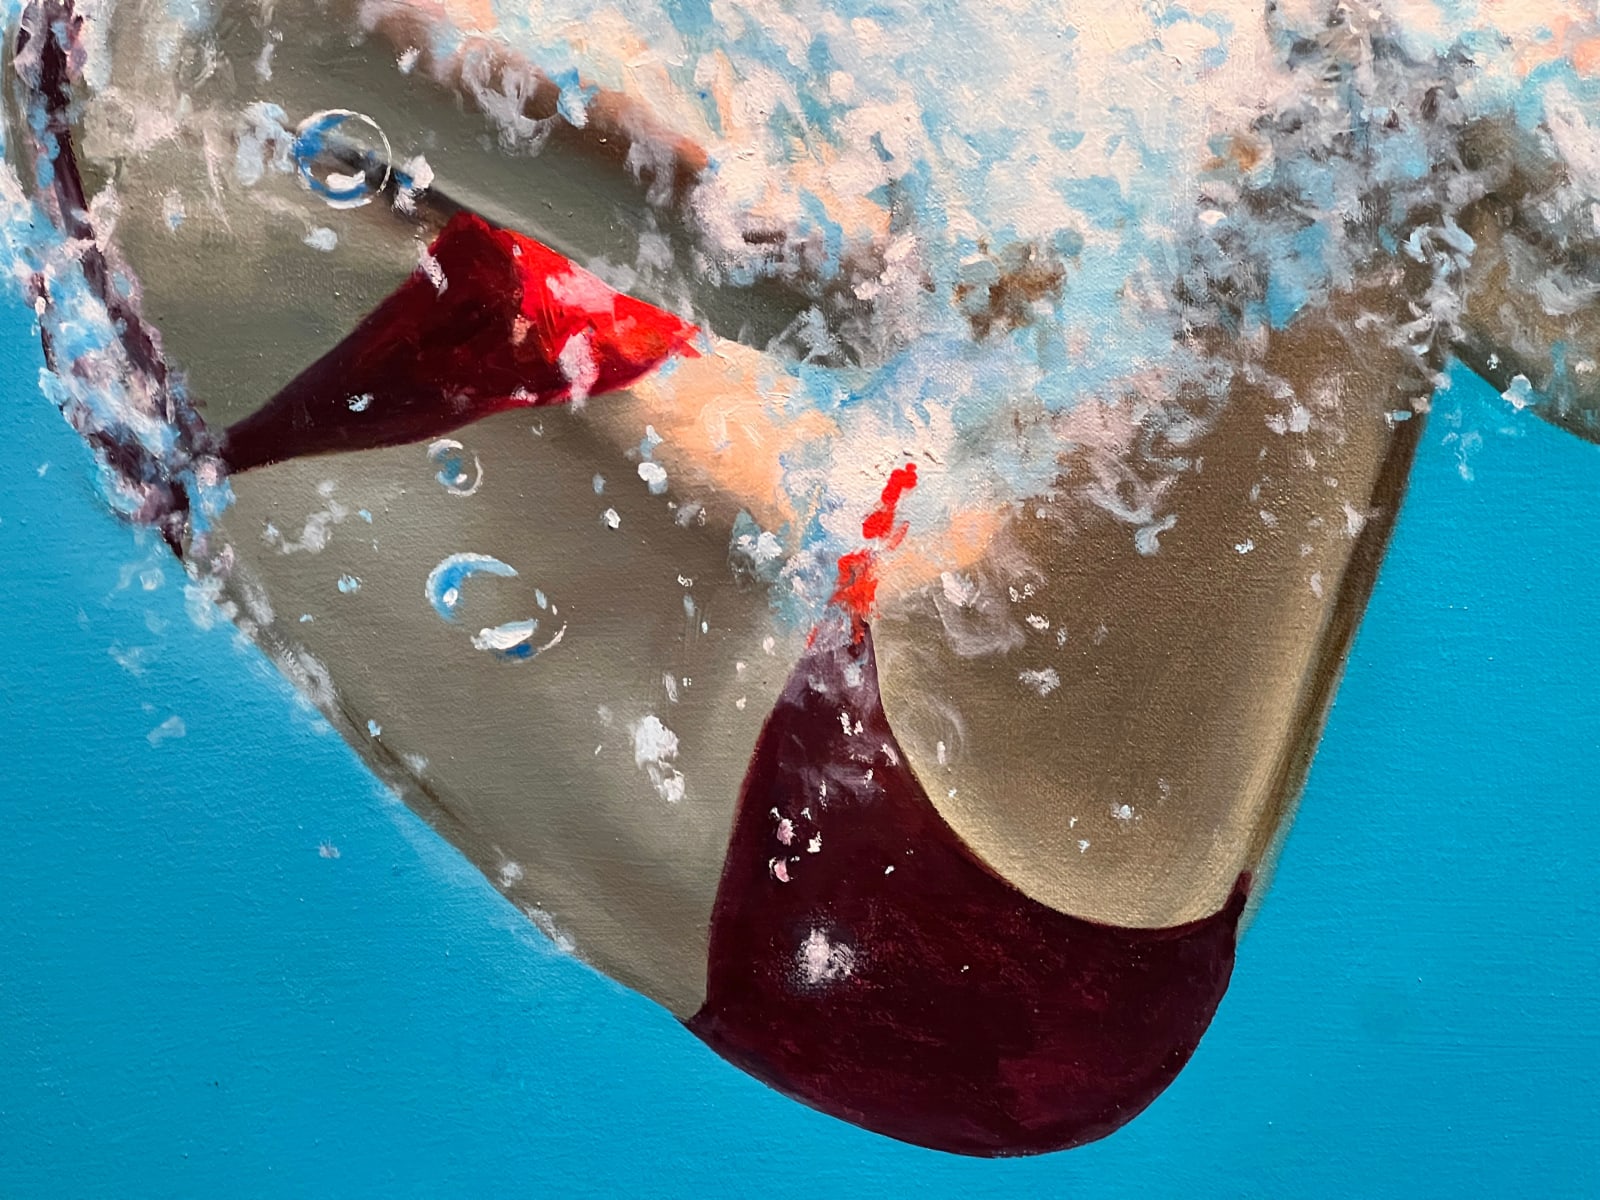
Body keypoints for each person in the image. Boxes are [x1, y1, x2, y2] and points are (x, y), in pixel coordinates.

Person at [6, 0, 1598, 1154]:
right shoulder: (240, 26)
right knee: (1358, 77)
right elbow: (857, 295)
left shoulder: (97, 98)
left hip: (881, 854)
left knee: (1420, 159)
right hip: (876, 846)